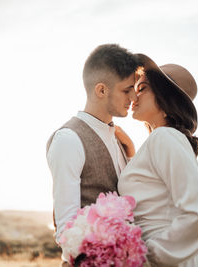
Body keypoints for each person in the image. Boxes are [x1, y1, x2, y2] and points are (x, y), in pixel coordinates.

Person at [118, 54, 198, 266]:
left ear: (166, 98)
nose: (133, 98)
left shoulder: (165, 137)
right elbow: (154, 194)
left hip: (169, 258)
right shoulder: (163, 139)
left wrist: (148, 257)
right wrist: (130, 153)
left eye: (142, 88)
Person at [46, 44, 140, 265]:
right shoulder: (69, 139)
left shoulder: (120, 139)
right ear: (101, 90)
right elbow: (66, 230)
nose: (134, 96)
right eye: (127, 90)